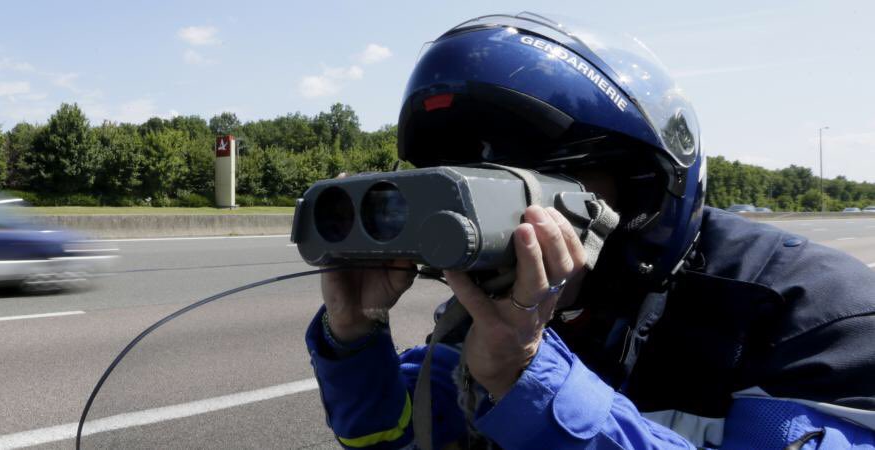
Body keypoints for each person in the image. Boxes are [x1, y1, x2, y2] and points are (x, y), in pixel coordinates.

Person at [306, 13, 875, 449]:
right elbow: (398, 437)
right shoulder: (487, 322)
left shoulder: (814, 315)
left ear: (646, 188)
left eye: (519, 191)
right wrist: (355, 343)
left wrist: (532, 382)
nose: (506, 228)